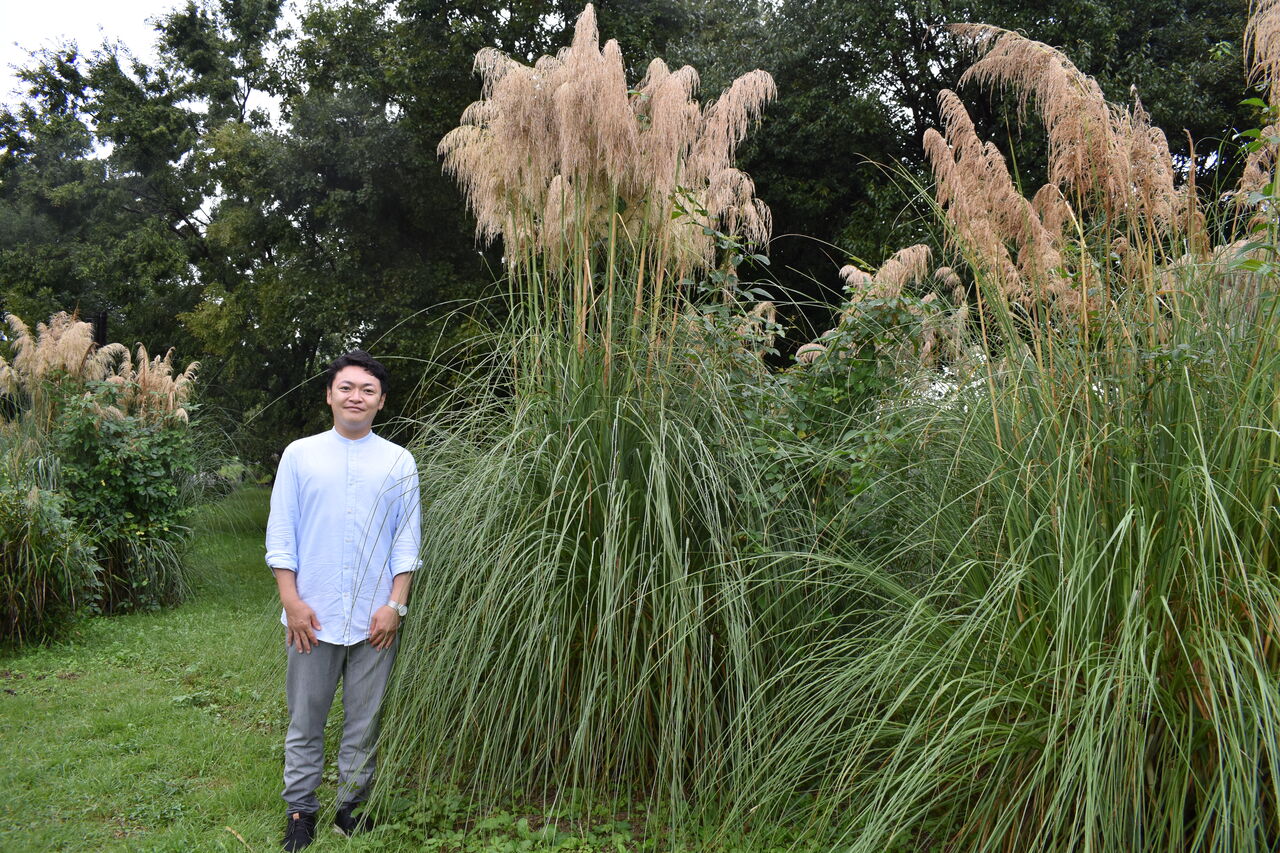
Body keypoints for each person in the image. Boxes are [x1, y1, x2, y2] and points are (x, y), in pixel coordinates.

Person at [265, 350, 421, 851]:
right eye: (347, 387)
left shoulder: (399, 460)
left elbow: (406, 541)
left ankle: (352, 808)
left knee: (364, 717)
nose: (356, 396)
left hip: (377, 617)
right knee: (305, 718)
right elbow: (282, 535)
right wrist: (291, 602)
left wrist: (394, 606)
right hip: (312, 615)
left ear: (382, 402)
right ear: (329, 395)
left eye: (368, 390)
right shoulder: (300, 455)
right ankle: (300, 810)